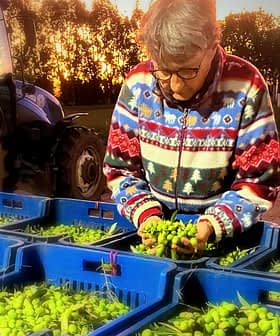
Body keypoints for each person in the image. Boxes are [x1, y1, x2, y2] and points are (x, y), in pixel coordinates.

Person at [103, 0, 280, 253]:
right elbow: (121, 170)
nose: (175, 86)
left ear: (211, 44)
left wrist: (210, 226)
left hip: (225, 241)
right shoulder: (138, 84)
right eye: (163, 71)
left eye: (187, 71)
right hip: (153, 238)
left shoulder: (245, 85)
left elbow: (258, 181)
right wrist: (148, 217)